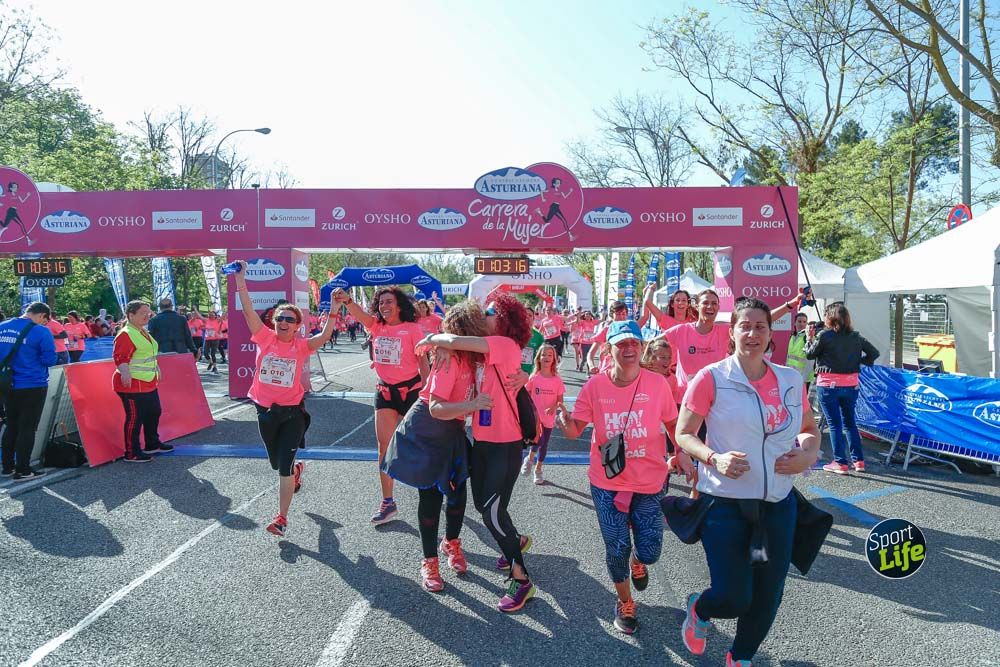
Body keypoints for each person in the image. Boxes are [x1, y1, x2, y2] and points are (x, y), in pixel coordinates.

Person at [674, 297, 821, 667]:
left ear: (771, 334)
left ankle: (740, 658)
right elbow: (684, 433)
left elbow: (808, 429)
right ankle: (700, 608)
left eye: (760, 327)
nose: (753, 333)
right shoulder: (711, 378)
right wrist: (713, 457)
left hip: (778, 505)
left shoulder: (789, 380)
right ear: (733, 332)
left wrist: (807, 454)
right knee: (733, 595)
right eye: (745, 326)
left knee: (769, 593)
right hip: (724, 503)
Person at [557, 320, 693, 635]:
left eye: (634, 342)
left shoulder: (657, 384)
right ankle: (625, 601)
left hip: (650, 480)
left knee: (650, 550)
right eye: (622, 343)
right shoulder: (595, 386)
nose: (629, 348)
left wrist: (681, 452)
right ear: (610, 348)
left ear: (642, 347)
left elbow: (673, 423)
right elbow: (576, 430)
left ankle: (638, 560)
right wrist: (562, 418)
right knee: (615, 546)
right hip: (607, 481)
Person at [417, 293, 536, 613]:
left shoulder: (504, 345)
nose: (485, 313)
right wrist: (444, 348)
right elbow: (458, 346)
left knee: (490, 513)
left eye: (491, 311)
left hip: (505, 444)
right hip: (481, 441)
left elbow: (455, 338)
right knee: (489, 507)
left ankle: (521, 578)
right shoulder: (483, 353)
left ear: (505, 319)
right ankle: (513, 540)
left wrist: (433, 338)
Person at [382, 300, 489, 592]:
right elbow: (437, 408)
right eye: (479, 326)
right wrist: (474, 404)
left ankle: (451, 542)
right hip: (428, 428)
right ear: (468, 330)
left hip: (452, 430)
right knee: (430, 498)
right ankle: (429, 560)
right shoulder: (450, 359)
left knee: (457, 494)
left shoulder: (476, 358)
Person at [233, 261, 335, 536]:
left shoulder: (302, 346)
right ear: (274, 322)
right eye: (280, 318)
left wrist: (335, 310)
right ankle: (295, 472)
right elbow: (248, 310)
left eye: (290, 319)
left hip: (292, 414)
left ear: (298, 325)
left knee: (283, 469)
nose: (284, 323)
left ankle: (281, 518)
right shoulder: (264, 338)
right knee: (277, 464)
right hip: (265, 411)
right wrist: (241, 280)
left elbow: (325, 335)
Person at [332, 286, 430, 526]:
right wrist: (346, 300)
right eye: (381, 303)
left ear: (399, 306)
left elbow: (423, 362)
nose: (385, 306)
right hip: (385, 391)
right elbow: (361, 315)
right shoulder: (377, 326)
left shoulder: (413, 329)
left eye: (389, 302)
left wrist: (427, 392)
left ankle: (431, 490)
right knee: (384, 446)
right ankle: (388, 502)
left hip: (412, 392)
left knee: (419, 445)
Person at [805, 302, 879, 474]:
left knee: (834, 424)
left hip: (829, 385)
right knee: (850, 423)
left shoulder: (825, 335)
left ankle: (840, 462)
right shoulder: (856, 336)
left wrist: (809, 338)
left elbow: (810, 354)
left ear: (830, 318)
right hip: (851, 384)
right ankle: (859, 461)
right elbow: (874, 353)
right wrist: (856, 361)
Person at [0, 302, 56, 480]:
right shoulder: (41, 331)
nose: (44, 324)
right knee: (27, 428)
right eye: (45, 321)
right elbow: (50, 360)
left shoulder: (2, 327)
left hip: (7, 384)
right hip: (32, 384)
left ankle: (7, 466)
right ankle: (23, 469)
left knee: (11, 425)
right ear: (42, 316)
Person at [113, 300, 175, 463]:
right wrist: (125, 372)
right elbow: (120, 357)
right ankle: (131, 452)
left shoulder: (142, 331)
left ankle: (152, 443)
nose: (147, 316)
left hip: (148, 382)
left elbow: (148, 354)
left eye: (148, 313)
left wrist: (157, 368)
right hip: (133, 384)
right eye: (143, 313)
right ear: (131, 315)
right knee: (135, 418)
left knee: (154, 412)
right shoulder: (126, 333)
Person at [520, 344, 564, 485]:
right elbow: (525, 397)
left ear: (554, 359)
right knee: (539, 440)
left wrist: (553, 407)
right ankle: (530, 459)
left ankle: (538, 469)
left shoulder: (557, 379)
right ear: (539, 358)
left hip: (549, 418)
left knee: (544, 446)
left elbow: (560, 400)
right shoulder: (534, 377)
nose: (546, 357)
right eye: (544, 354)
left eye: (550, 355)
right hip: (535, 418)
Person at [587, 300, 630, 374]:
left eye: (623, 314)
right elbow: (591, 353)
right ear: (612, 315)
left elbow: (645, 318)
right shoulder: (606, 330)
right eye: (618, 314)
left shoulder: (631, 329)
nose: (621, 317)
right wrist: (591, 366)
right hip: (607, 371)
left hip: (625, 371)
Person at [786, 312, 815, 392]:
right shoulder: (792, 336)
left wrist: (803, 379)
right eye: (799, 321)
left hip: (803, 379)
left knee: (803, 403)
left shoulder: (808, 337)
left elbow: (811, 360)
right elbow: (789, 357)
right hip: (792, 376)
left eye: (804, 322)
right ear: (794, 323)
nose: (802, 324)